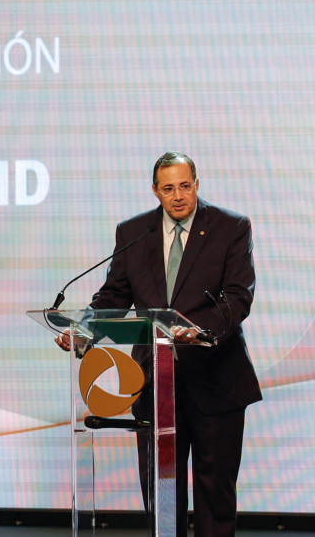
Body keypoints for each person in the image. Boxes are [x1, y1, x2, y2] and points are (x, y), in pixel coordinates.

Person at [57, 151, 261, 537]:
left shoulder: (231, 227)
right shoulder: (134, 232)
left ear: (197, 184)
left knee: (215, 496)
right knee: (160, 495)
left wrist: (198, 330)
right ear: (155, 190)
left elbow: (238, 296)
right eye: (168, 189)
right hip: (155, 384)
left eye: (185, 186)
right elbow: (114, 296)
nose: (178, 196)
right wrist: (84, 330)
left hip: (216, 380)